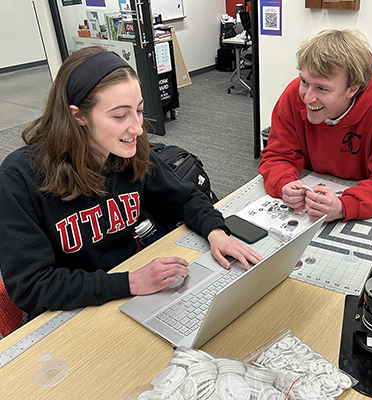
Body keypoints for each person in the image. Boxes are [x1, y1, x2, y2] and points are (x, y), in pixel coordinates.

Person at [0, 46, 262, 320]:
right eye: (119, 116)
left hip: (127, 289)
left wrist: (216, 232)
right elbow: (30, 287)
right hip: (67, 308)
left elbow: (185, 197)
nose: (137, 128)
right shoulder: (20, 176)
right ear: (78, 116)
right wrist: (130, 282)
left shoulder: (127, 150)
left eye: (139, 110)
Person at [259, 29, 372, 222]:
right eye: (304, 81)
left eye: (322, 88)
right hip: (307, 207)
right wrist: (284, 183)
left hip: (357, 207)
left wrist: (344, 206)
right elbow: (276, 155)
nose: (307, 98)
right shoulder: (293, 95)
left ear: (352, 89)